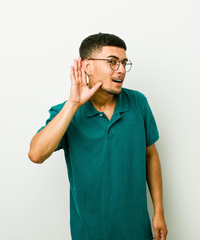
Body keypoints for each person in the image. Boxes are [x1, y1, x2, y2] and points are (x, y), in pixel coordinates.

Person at [28, 33, 168, 240]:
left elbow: (150, 156)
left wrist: (159, 211)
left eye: (123, 63)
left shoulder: (138, 103)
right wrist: (73, 104)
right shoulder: (67, 112)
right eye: (112, 62)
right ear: (87, 67)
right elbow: (36, 154)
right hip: (89, 232)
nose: (121, 69)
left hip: (137, 230)